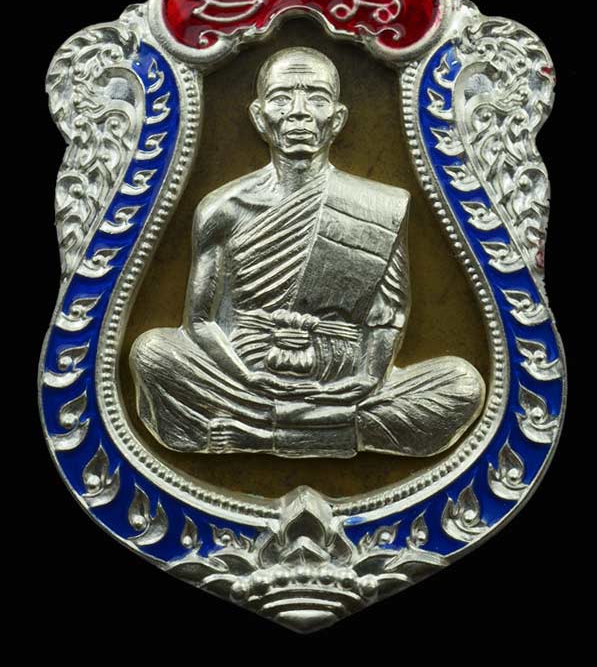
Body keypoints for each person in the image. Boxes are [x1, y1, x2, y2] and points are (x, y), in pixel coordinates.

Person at [131, 47, 484, 457]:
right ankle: (331, 431)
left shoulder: (378, 205)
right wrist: (246, 376)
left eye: (316, 98)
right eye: (282, 98)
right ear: (260, 117)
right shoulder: (222, 208)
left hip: (342, 382)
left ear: (337, 118)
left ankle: (260, 434)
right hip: (246, 379)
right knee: (151, 353)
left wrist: (369, 379)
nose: (298, 112)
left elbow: (388, 315)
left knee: (462, 384)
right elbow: (200, 321)